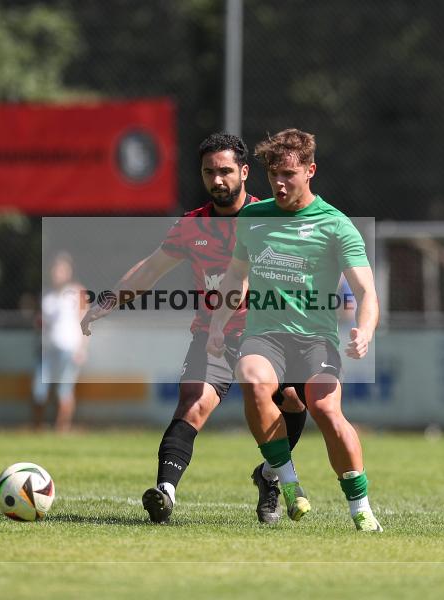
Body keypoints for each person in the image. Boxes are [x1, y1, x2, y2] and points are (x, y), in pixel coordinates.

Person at [80, 133, 307, 524]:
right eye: (209, 172)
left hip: (268, 334)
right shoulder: (191, 226)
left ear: (244, 172)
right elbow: (150, 270)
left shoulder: (270, 216)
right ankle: (164, 493)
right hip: (211, 336)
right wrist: (108, 300)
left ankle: (269, 475)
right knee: (193, 404)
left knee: (292, 401)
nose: (217, 180)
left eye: (225, 171)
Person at [206, 128, 384, 532]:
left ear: (310, 171)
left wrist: (365, 329)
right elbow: (236, 277)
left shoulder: (335, 225)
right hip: (265, 336)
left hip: (315, 340)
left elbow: (365, 290)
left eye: (288, 174)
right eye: (273, 176)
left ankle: (361, 508)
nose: (280, 184)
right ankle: (288, 482)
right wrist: (218, 322)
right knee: (251, 379)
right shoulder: (252, 218)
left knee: (325, 410)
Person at [33, 252, 87, 432]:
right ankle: (38, 429)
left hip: (69, 349)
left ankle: (62, 429)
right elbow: (42, 323)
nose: (58, 273)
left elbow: (85, 321)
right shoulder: (46, 294)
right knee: (39, 390)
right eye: (56, 269)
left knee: (64, 391)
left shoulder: (78, 292)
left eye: (62, 270)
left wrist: (82, 348)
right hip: (47, 350)